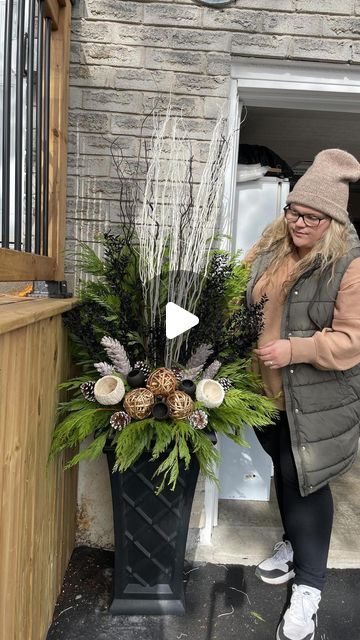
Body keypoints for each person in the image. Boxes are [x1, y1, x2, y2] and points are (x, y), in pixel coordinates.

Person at [245, 148, 360, 640]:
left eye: (314, 217)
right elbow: (242, 295)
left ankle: (309, 589)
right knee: (284, 472)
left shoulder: (348, 265)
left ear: (333, 221)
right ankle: (293, 545)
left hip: (314, 399)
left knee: (307, 482)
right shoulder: (271, 248)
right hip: (263, 392)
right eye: (295, 211)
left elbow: (352, 340)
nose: (300, 223)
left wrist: (295, 349)